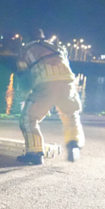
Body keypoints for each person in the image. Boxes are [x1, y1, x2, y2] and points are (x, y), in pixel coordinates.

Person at [15, 29, 84, 165]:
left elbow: (23, 74)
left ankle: (35, 153)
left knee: (28, 119)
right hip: (68, 83)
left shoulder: (26, 50)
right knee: (70, 115)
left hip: (45, 84)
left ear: (28, 38)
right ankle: (73, 143)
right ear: (43, 37)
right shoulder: (57, 47)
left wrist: (25, 94)